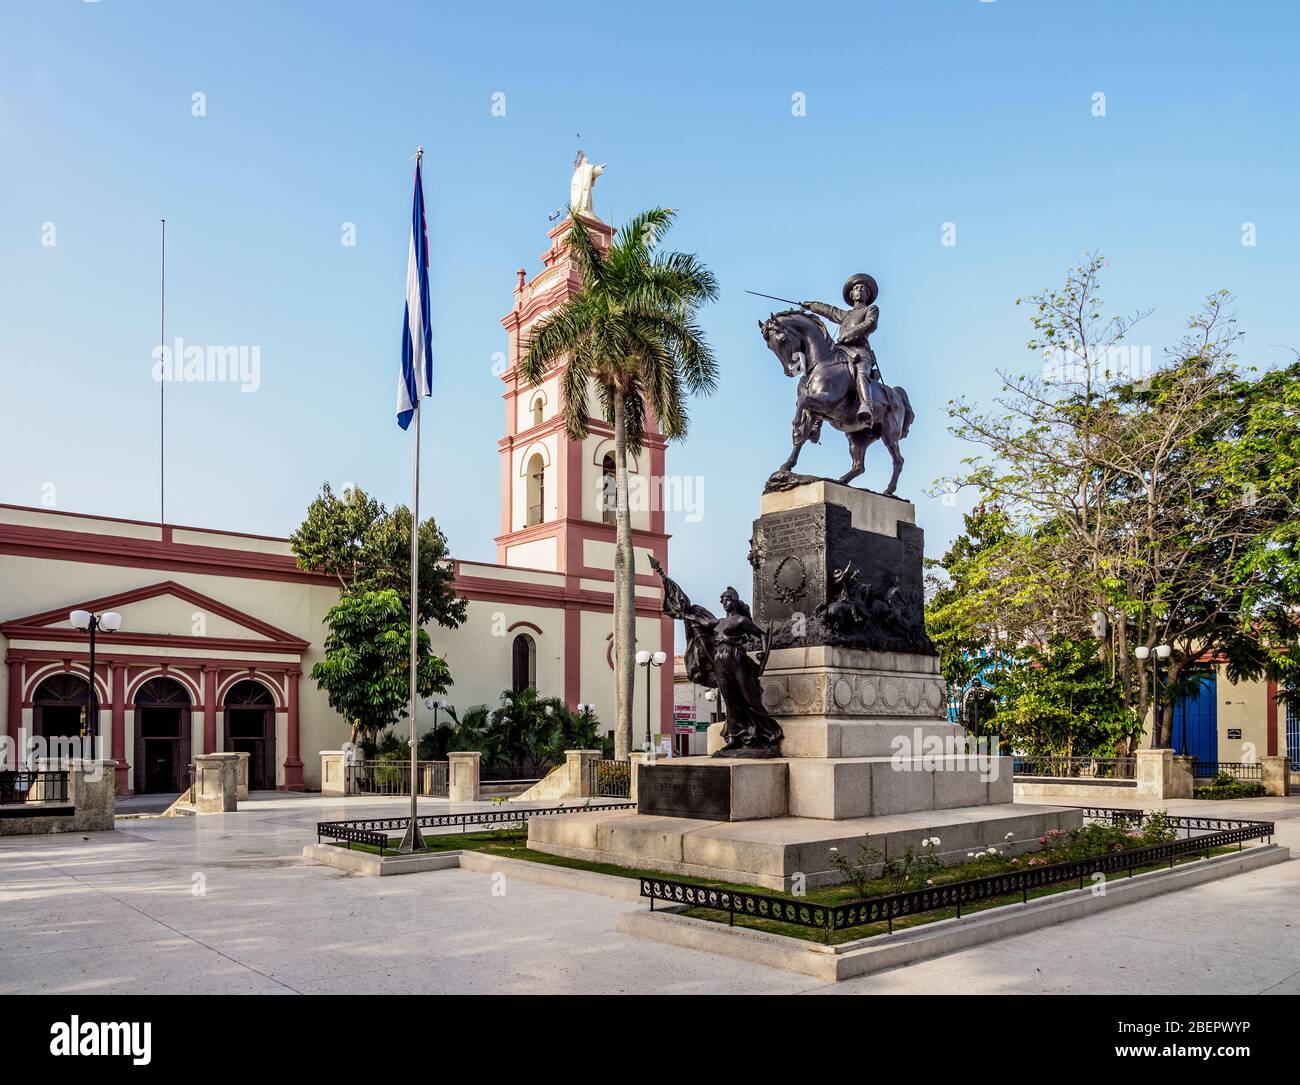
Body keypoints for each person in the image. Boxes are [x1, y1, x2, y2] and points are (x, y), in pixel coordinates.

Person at [802, 273, 881, 426]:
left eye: (863, 289)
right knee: (820, 373)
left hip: (860, 351)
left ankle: (866, 406)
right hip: (841, 351)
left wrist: (850, 334)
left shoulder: (871, 309)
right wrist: (811, 305)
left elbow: (871, 324)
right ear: (851, 294)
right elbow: (829, 310)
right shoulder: (845, 315)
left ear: (867, 294)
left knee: (862, 373)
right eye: (857, 289)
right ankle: (815, 422)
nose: (860, 291)